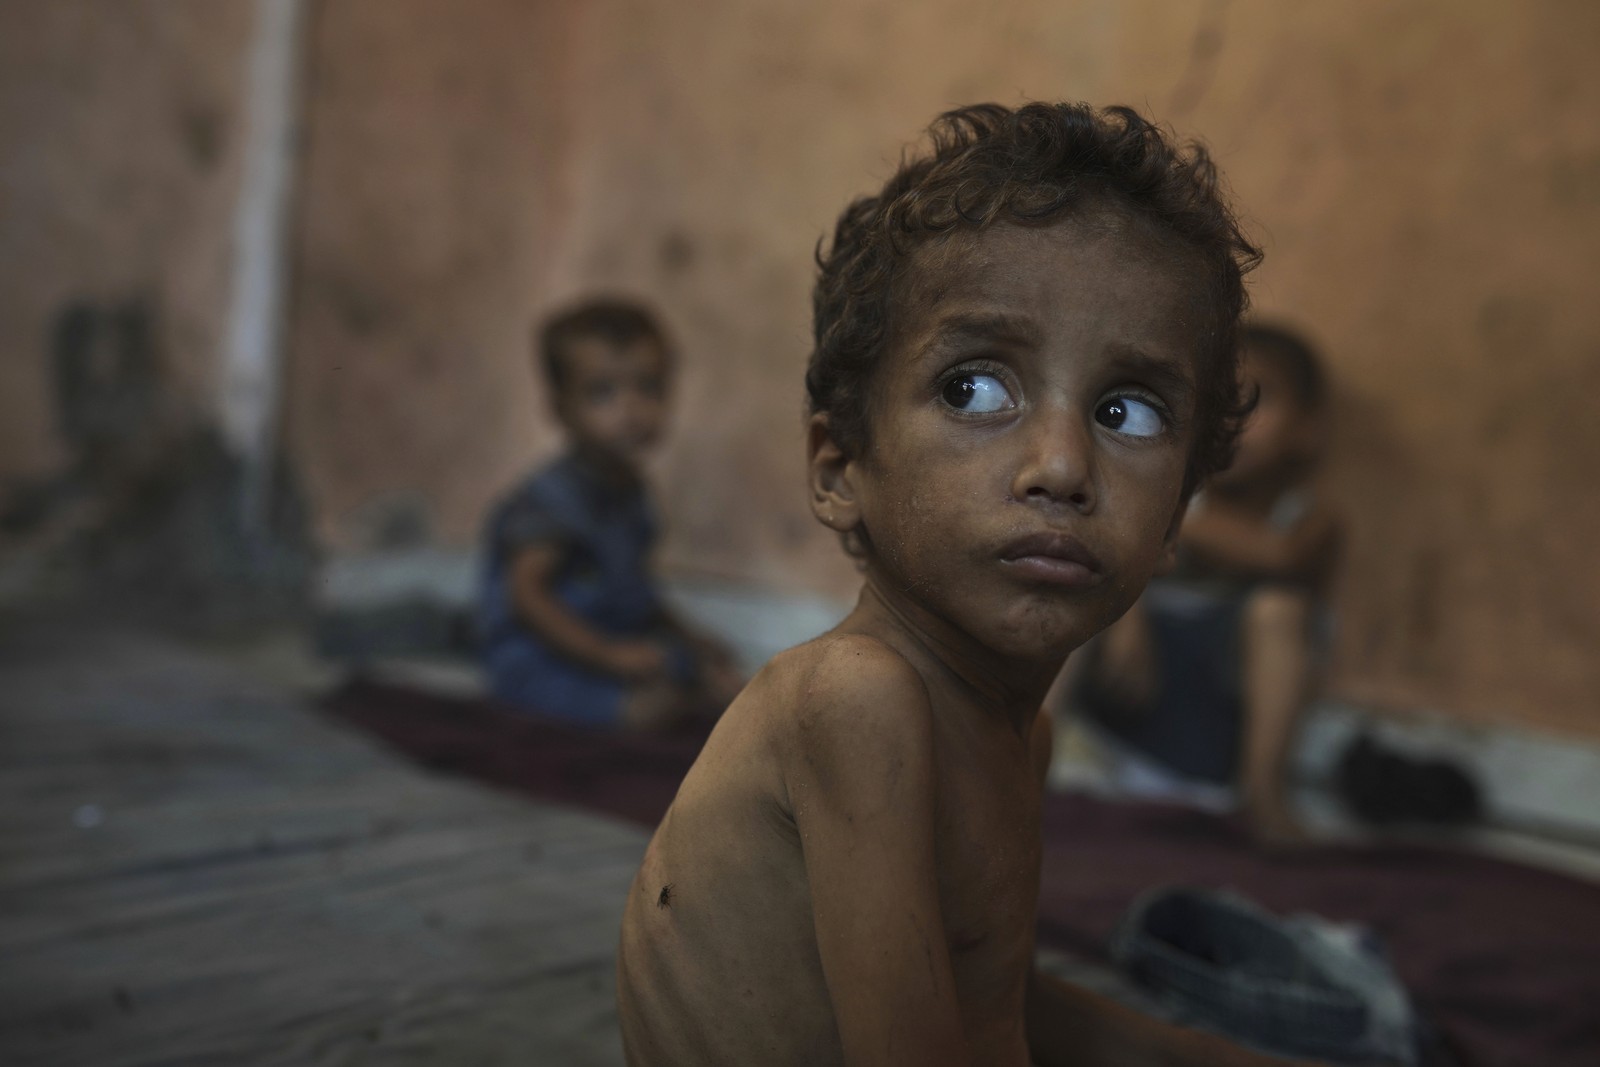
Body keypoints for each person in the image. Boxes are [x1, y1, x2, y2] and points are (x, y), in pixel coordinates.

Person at [617, 102, 1313, 1066]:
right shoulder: (854, 700)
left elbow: (991, 1010)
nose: (1063, 464)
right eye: (975, 389)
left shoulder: (1018, 734)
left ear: (1175, 521)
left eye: (1129, 411)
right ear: (838, 469)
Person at [1069, 324, 1342, 843]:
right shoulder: (1168, 499)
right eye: (1215, 401)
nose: (1231, 421)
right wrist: (1128, 613)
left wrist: (1164, 523)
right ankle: (1027, 752)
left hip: (1218, 731)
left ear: (1307, 428)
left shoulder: (1306, 520)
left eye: (1255, 401)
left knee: (1278, 610)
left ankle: (1263, 796)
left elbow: (1279, 556)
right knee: (1081, 580)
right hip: (1126, 712)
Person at [477, 298, 740, 730]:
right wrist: (608, 655)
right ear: (560, 408)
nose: (631, 410)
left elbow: (635, 590)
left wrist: (688, 636)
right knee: (644, 712)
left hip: (610, 639)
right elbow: (527, 597)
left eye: (649, 387)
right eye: (603, 393)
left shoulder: (632, 492)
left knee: (702, 671)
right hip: (541, 656)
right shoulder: (551, 499)